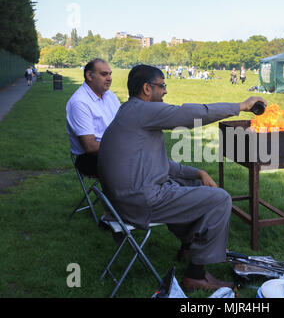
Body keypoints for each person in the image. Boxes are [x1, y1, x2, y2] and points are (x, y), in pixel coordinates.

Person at [97, 64, 267, 291]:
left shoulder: (130, 111)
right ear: (147, 89)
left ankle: (191, 247)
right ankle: (195, 275)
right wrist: (240, 106)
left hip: (125, 197)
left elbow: (160, 165)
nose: (165, 91)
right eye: (162, 86)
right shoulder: (143, 111)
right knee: (220, 199)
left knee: (195, 182)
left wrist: (198, 172)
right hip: (140, 202)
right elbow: (190, 114)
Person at [65, 58, 121, 178]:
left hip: (114, 150)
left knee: (151, 156)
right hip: (91, 159)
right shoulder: (79, 102)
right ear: (89, 76)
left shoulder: (110, 95)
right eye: (104, 74)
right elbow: (90, 146)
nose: (110, 78)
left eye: (110, 74)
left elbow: (124, 123)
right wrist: (123, 146)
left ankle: (157, 192)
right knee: (141, 164)